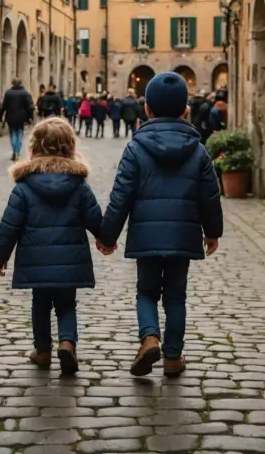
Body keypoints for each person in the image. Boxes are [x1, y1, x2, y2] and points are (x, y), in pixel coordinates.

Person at [96, 71, 223, 378]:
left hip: (146, 236)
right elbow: (210, 194)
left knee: (146, 292)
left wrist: (108, 234)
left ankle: (150, 337)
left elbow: (121, 195)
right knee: (176, 296)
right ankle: (172, 357)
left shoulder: (136, 148)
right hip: (183, 235)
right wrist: (212, 231)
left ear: (147, 110)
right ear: (186, 111)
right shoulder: (198, 149)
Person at [0, 117, 104, 375]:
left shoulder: (24, 186)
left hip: (36, 261)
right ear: (70, 147)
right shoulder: (78, 185)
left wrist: (0, 256)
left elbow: (10, 225)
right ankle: (67, 344)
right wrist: (104, 239)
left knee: (40, 304)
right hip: (70, 259)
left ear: (34, 146)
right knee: (67, 304)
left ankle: (42, 351)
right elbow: (95, 219)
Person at [0, 78, 35, 161]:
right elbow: (29, 106)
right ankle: (18, 152)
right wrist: (30, 117)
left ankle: (14, 151)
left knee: (12, 133)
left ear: (12, 83)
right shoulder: (25, 93)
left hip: (10, 116)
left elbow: (3, 106)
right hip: (21, 117)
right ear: (21, 83)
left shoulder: (8, 93)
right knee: (19, 133)